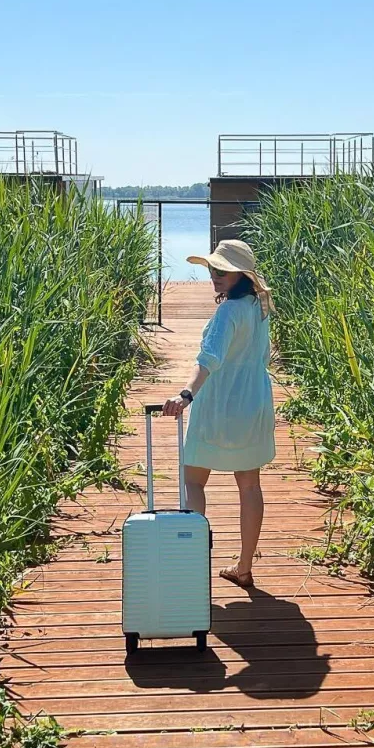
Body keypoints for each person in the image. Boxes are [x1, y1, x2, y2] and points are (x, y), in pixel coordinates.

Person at [161, 239, 276, 589]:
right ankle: (244, 568)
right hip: (254, 401)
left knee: (194, 481)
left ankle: (193, 564)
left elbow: (207, 360)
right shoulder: (258, 307)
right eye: (213, 269)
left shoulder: (228, 311)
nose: (215, 275)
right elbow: (263, 356)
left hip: (220, 404)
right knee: (250, 485)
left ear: (242, 274)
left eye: (223, 271)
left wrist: (185, 395)